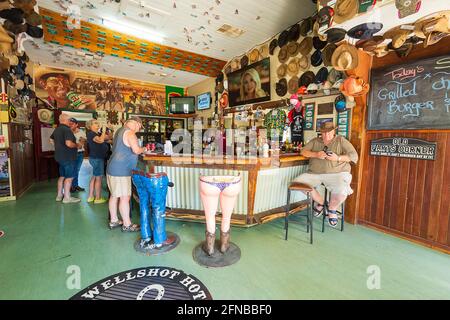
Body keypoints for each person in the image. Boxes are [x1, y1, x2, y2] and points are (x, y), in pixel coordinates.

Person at [293, 122, 358, 227]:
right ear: (321, 132)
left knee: (342, 190)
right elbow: (303, 151)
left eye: (329, 132)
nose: (326, 135)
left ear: (334, 131)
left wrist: (338, 158)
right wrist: (316, 154)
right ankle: (324, 204)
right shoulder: (315, 141)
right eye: (324, 132)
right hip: (314, 173)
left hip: (337, 174)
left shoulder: (341, 140)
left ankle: (332, 209)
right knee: (298, 183)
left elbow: (354, 156)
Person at [106, 116, 146, 231]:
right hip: (122, 170)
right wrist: (144, 149)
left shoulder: (119, 130)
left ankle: (113, 221)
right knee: (125, 197)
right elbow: (136, 150)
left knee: (114, 195)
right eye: (139, 127)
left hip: (112, 168)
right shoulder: (130, 133)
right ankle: (127, 224)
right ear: (136, 123)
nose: (139, 130)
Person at [50, 114, 82, 203]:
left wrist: (59, 147)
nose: (70, 122)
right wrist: (77, 145)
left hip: (60, 157)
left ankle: (59, 195)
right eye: (69, 120)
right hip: (68, 157)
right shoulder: (67, 130)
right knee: (69, 177)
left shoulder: (57, 129)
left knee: (62, 176)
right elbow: (68, 143)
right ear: (65, 120)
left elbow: (51, 140)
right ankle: (67, 197)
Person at [86, 120, 109, 204]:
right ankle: (98, 198)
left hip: (96, 158)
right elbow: (100, 140)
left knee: (94, 177)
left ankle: (91, 196)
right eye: (95, 123)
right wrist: (103, 131)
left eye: (98, 123)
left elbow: (108, 138)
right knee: (98, 178)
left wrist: (109, 129)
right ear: (90, 126)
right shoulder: (91, 133)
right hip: (97, 158)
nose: (98, 124)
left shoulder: (95, 134)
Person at [69, 118, 86, 193]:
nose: (70, 125)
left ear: (76, 124)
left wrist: (74, 144)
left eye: (72, 124)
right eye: (69, 124)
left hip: (80, 153)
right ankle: (71, 186)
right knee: (72, 170)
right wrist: (75, 144)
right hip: (70, 153)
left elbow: (81, 144)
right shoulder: (67, 132)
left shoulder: (81, 132)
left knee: (77, 170)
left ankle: (75, 185)